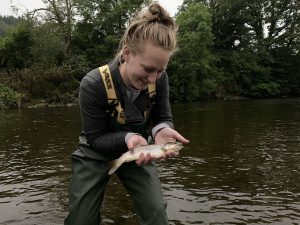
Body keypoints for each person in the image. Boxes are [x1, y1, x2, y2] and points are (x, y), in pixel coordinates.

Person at [64, 2, 189, 225]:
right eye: (148, 69)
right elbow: (95, 137)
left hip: (139, 151)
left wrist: (162, 131)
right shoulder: (93, 83)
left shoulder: (159, 79)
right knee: (80, 220)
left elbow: (162, 116)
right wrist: (127, 137)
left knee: (156, 214)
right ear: (127, 53)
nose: (153, 79)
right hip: (95, 150)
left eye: (161, 71)